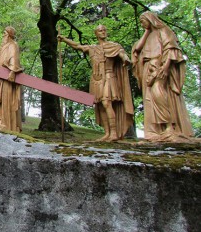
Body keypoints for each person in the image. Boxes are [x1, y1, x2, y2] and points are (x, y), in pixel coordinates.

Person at [59, 25, 133, 141]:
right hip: (96, 79)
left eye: (104, 30)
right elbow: (77, 46)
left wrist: (125, 59)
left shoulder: (114, 46)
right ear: (96, 34)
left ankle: (114, 133)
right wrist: (64, 39)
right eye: (100, 30)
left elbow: (122, 54)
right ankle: (107, 133)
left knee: (106, 102)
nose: (103, 32)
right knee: (100, 105)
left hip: (109, 77)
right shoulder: (92, 48)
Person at [132, 11, 193, 140]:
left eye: (143, 21)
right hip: (147, 67)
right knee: (149, 99)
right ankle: (156, 131)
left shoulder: (164, 31)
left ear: (150, 19)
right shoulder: (148, 35)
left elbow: (171, 49)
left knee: (159, 94)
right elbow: (137, 49)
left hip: (160, 65)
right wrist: (147, 31)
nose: (141, 24)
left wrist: (165, 66)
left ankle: (170, 127)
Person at [0, 26, 23, 132]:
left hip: (7, 80)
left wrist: (12, 71)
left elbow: (14, 59)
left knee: (7, 101)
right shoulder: (2, 48)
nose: (3, 35)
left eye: (5, 33)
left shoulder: (13, 45)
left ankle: (8, 126)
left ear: (10, 35)